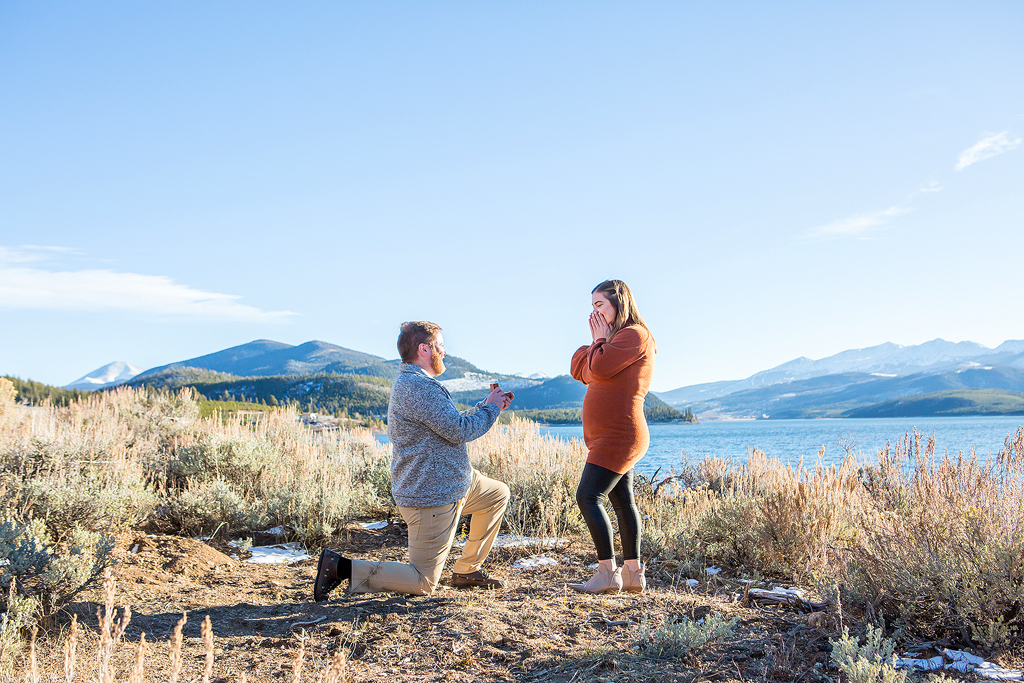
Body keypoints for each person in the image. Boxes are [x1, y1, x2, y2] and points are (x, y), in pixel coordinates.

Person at [313, 321, 513, 600]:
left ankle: (467, 570)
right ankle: (340, 568)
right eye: (440, 346)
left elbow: (448, 423)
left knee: (497, 494)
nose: (444, 352)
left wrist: (487, 405)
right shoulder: (419, 387)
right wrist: (491, 408)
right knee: (422, 582)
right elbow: (459, 431)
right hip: (433, 494)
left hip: (454, 483)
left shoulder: (414, 384)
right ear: (424, 349)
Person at [568, 280, 656, 594]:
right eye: (592, 306)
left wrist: (598, 346)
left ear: (619, 303)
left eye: (599, 305)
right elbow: (579, 368)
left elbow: (599, 367)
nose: (594, 313)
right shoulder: (613, 340)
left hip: (620, 435)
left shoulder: (634, 335)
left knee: (588, 496)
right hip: (611, 436)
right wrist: (597, 350)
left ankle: (607, 573)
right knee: (622, 502)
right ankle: (633, 574)